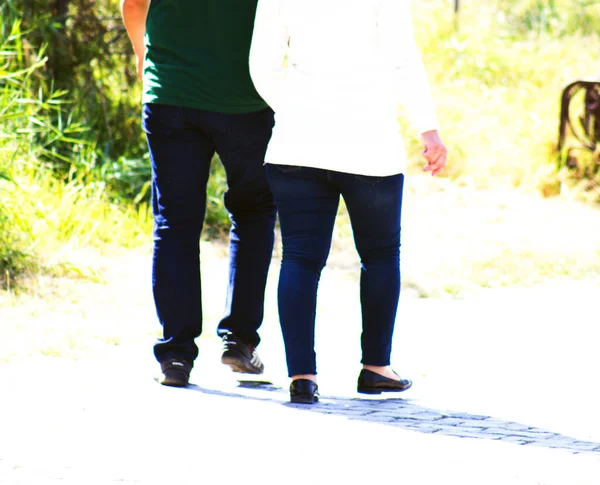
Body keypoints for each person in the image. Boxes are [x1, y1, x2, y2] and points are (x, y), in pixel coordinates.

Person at [249, 0, 448, 403]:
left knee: (300, 259)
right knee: (379, 256)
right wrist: (427, 129)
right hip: (369, 143)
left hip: (297, 143)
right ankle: (376, 368)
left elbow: (261, 66)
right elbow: (403, 60)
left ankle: (302, 378)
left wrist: (297, 111)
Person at [120, 0, 276, 387]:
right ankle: (239, 341)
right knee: (254, 214)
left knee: (175, 221)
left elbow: (134, 4)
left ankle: (175, 355)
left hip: (171, 92)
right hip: (247, 98)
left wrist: (144, 57)